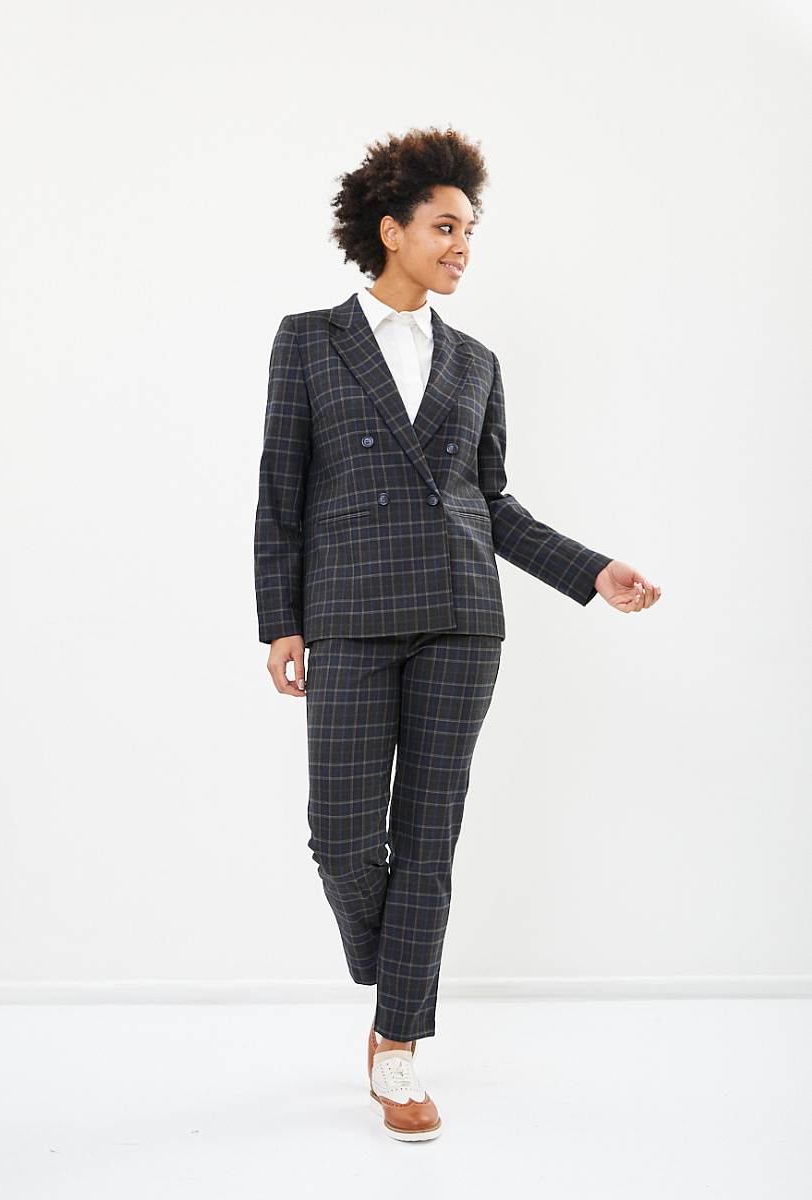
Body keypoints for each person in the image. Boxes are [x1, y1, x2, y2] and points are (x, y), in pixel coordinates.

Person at [254, 127, 660, 1142]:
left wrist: (591, 570)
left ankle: (397, 1046)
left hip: (461, 618)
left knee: (429, 840)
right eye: (445, 227)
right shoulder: (307, 340)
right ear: (391, 231)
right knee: (343, 839)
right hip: (349, 617)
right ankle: (396, 972)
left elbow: (495, 504)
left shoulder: (476, 361)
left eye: (470, 230)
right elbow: (279, 492)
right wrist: (280, 621)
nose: (463, 246)